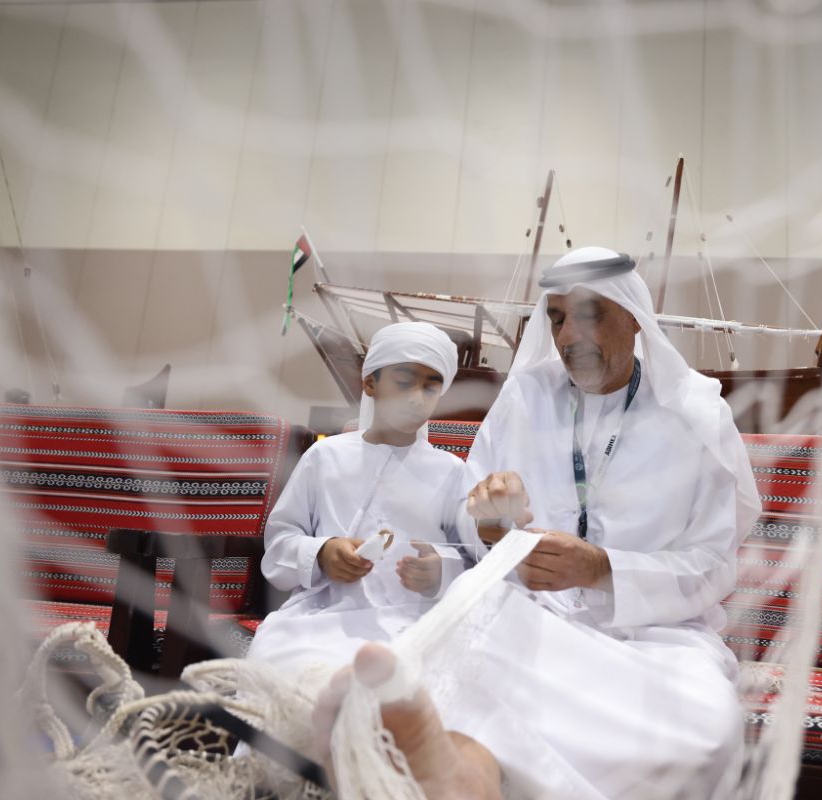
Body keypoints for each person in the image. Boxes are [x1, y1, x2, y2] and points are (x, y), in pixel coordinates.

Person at [314, 246, 762, 799]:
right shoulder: (527, 397)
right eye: (555, 318)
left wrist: (601, 568)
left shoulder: (695, 414)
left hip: (657, 637)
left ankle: (467, 772)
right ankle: (464, 773)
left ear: (633, 318)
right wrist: (491, 524)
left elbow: (714, 566)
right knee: (454, 678)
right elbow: (467, 515)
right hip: (528, 616)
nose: (568, 334)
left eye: (588, 314)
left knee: (705, 733)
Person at [247, 321, 471, 673]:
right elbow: (280, 543)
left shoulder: (452, 471)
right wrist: (322, 552)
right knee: (287, 667)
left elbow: (471, 557)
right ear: (370, 383)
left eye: (431, 388)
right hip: (322, 617)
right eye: (403, 382)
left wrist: (440, 569)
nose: (416, 398)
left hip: (416, 622)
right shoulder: (325, 456)